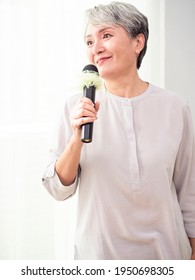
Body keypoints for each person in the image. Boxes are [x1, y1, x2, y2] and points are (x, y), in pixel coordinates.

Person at [42, 1, 195, 260]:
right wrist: (77, 137)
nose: (96, 48)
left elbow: (189, 191)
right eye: (89, 42)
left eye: (106, 35)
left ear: (138, 42)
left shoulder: (174, 107)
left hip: (167, 258)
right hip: (98, 260)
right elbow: (58, 189)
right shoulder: (75, 108)